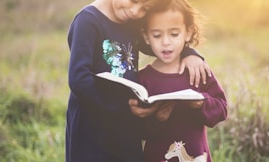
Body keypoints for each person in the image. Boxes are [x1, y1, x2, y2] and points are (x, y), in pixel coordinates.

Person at [66, 0, 212, 161]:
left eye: (146, 8)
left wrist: (189, 54)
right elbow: (79, 79)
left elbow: (161, 46)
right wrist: (123, 107)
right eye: (134, 1)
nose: (135, 11)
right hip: (92, 126)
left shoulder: (131, 22)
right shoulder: (87, 21)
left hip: (126, 125)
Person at [130, 0, 228, 162]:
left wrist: (201, 103)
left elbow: (221, 110)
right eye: (157, 35)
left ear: (188, 33)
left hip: (196, 157)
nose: (166, 42)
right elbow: (137, 131)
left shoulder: (198, 70)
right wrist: (157, 119)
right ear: (146, 36)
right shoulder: (142, 79)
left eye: (174, 34)